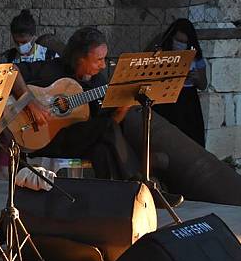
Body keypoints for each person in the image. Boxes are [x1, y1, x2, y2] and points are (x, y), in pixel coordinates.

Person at [10, 27, 185, 206]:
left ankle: (118, 203)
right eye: (98, 60)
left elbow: (111, 125)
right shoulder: (49, 69)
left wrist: (124, 107)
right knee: (105, 130)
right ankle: (142, 186)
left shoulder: (98, 82)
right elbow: (10, 70)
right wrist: (30, 102)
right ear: (79, 58)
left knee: (102, 148)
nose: (102, 65)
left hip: (78, 140)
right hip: (44, 137)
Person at [153, 18, 208, 147]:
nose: (179, 44)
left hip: (188, 98)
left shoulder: (196, 57)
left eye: (183, 42)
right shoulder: (162, 52)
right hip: (167, 97)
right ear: (171, 38)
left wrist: (197, 78)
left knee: (190, 137)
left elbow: (203, 85)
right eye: (177, 40)